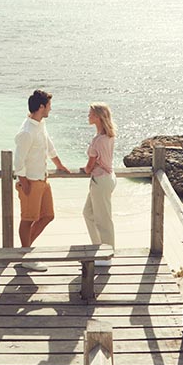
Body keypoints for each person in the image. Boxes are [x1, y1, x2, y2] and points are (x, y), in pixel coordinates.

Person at [12, 89, 69, 266]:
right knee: (27, 219)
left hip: (43, 179)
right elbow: (18, 161)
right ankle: (26, 256)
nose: (50, 109)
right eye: (49, 106)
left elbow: (49, 146)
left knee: (48, 216)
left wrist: (59, 165)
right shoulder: (26, 131)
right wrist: (24, 182)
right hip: (30, 181)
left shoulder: (40, 124)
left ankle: (25, 251)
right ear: (42, 107)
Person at [82, 103, 117, 263]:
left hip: (100, 180)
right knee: (88, 213)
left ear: (98, 117)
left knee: (104, 221)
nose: (88, 116)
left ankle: (107, 255)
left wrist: (87, 168)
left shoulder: (97, 140)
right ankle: (98, 249)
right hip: (108, 178)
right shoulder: (109, 136)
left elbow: (89, 167)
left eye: (90, 114)